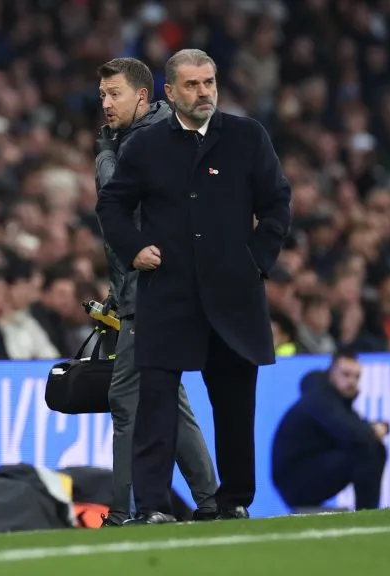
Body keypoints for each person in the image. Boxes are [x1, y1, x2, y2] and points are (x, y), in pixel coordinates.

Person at [96, 49, 292, 524]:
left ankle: (233, 501)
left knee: (234, 404)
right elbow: (112, 206)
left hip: (233, 296)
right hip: (167, 294)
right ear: (169, 92)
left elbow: (277, 204)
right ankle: (153, 507)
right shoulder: (145, 146)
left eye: (209, 82)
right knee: (155, 405)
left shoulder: (247, 136)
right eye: (192, 85)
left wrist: (255, 263)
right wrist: (135, 249)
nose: (203, 92)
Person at [92, 57, 218, 526]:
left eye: (115, 94)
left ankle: (123, 512)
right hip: (140, 289)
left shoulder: (151, 140)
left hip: (156, 289)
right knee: (169, 400)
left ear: (144, 96)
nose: (105, 104)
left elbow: (115, 197)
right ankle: (214, 502)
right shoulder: (133, 137)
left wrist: (105, 154)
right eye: (102, 95)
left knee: (126, 398)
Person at [272, 350, 387, 511]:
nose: (352, 382)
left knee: (373, 448)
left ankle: (369, 511)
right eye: (346, 374)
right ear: (331, 373)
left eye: (356, 377)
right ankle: (368, 512)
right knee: (366, 449)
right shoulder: (320, 398)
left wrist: (375, 429)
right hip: (294, 480)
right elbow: (354, 433)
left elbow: (354, 428)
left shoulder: (335, 402)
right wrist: (374, 430)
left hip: (307, 470)